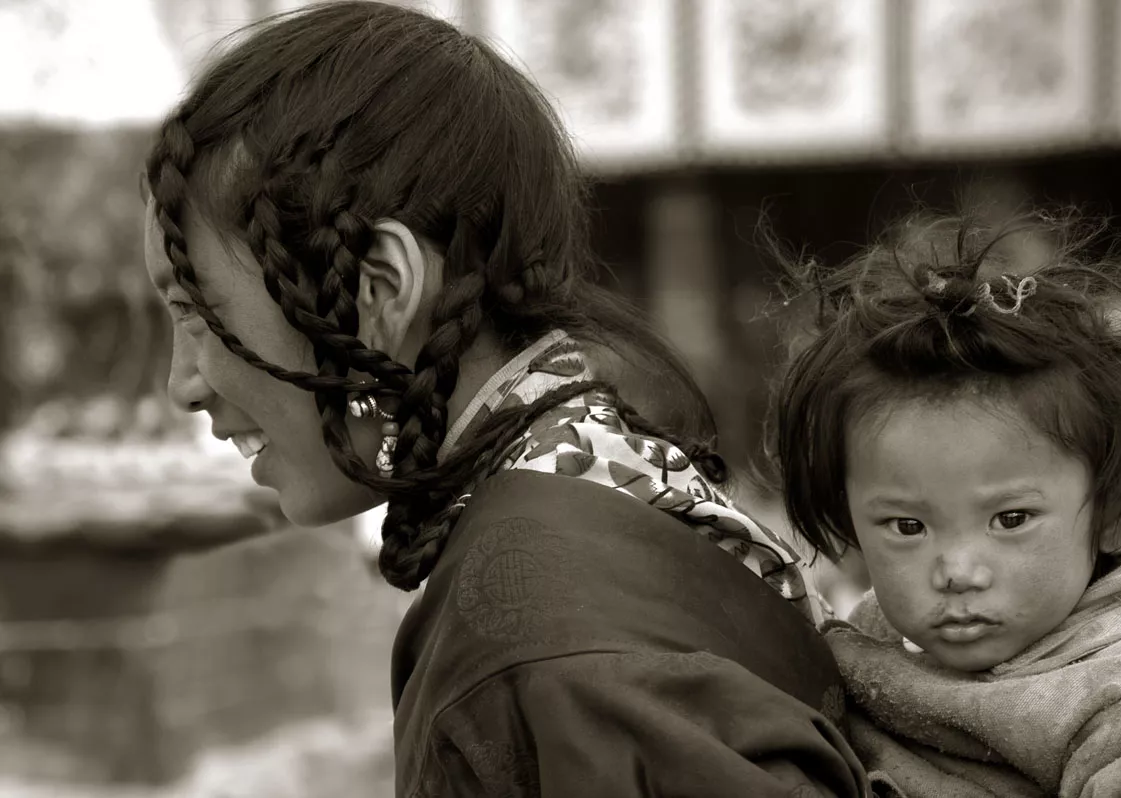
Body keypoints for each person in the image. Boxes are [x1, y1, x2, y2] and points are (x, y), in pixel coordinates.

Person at [141, 3, 869, 795]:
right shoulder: (599, 483)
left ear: (378, 288)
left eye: (199, 314)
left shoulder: (550, 644)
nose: (183, 385)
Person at [773, 212, 1121, 797]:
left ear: (1113, 514)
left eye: (1011, 519)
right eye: (907, 526)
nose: (957, 572)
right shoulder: (867, 637)